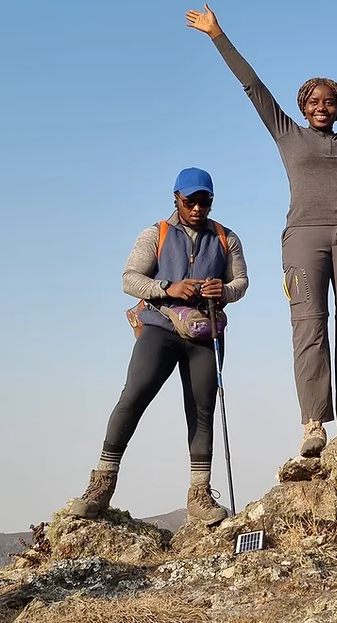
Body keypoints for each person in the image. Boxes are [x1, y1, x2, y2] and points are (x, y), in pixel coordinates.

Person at [187, 3, 337, 456]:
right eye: (314, 101)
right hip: (303, 237)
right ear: (302, 108)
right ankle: (314, 424)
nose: (322, 107)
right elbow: (253, 87)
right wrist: (217, 34)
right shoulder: (287, 134)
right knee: (308, 327)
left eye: (329, 101)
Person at [66, 168, 249, 525]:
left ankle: (199, 494)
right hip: (159, 328)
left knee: (201, 409)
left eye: (204, 202)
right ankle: (101, 486)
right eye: (189, 201)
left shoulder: (227, 238)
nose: (197, 208)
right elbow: (130, 279)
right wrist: (168, 287)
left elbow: (240, 281)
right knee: (134, 395)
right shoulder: (157, 234)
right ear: (177, 199)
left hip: (204, 331)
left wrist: (223, 291)